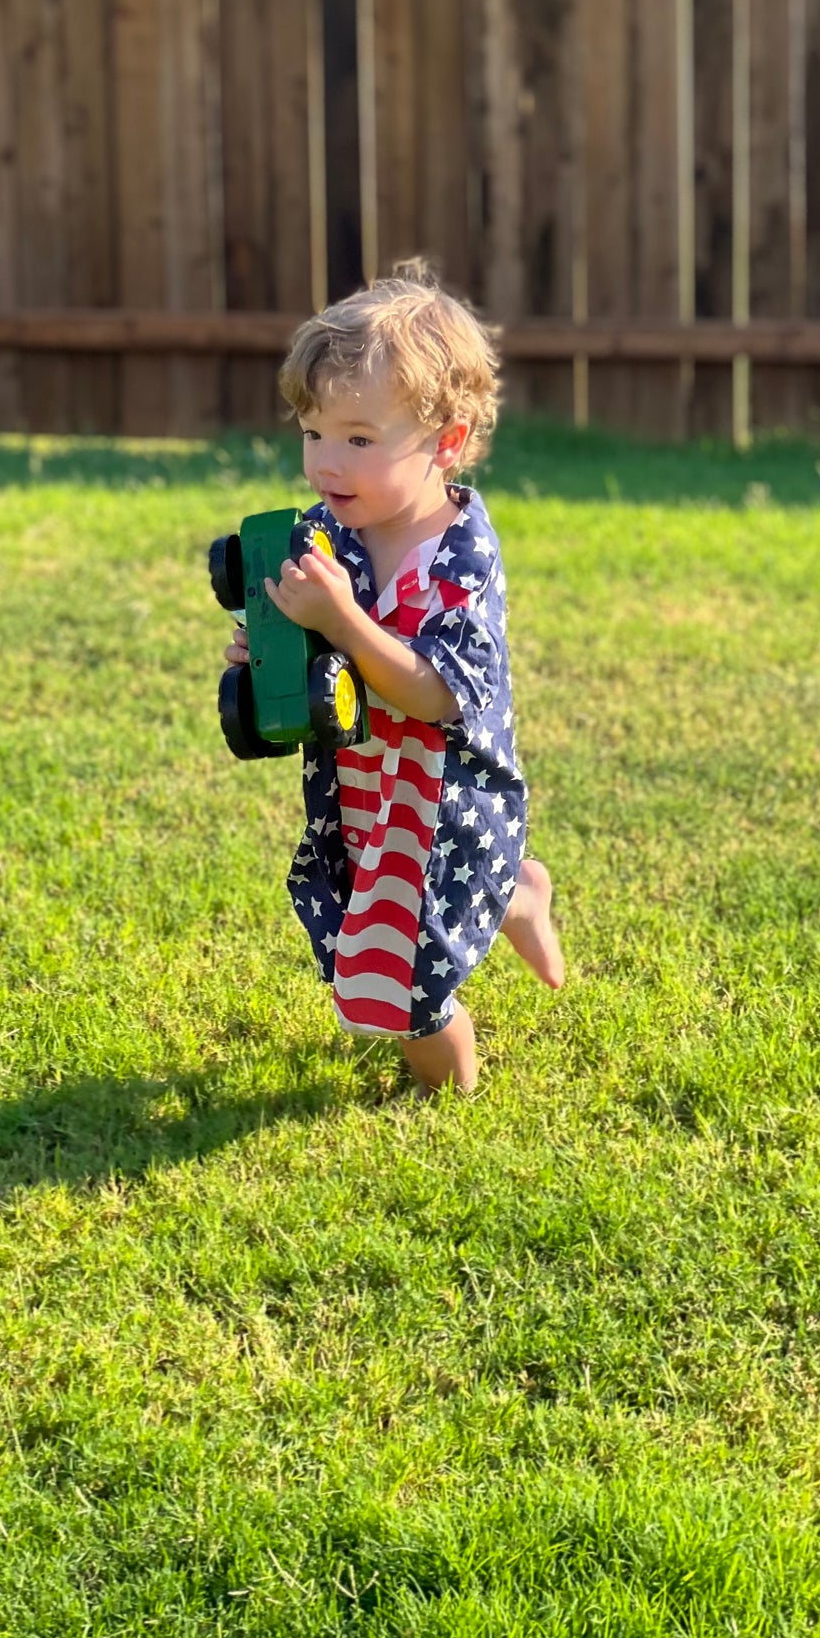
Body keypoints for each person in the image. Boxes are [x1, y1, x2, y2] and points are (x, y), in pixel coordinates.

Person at [223, 260, 563, 1095]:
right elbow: (323, 657)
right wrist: (275, 651)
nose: (324, 463)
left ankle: (444, 1096)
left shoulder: (459, 559)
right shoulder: (326, 531)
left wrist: (342, 621)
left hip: (446, 801)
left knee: (402, 980)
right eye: (312, 433)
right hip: (364, 789)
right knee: (352, 934)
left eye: (359, 439)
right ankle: (516, 893)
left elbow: (433, 694)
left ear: (444, 442)